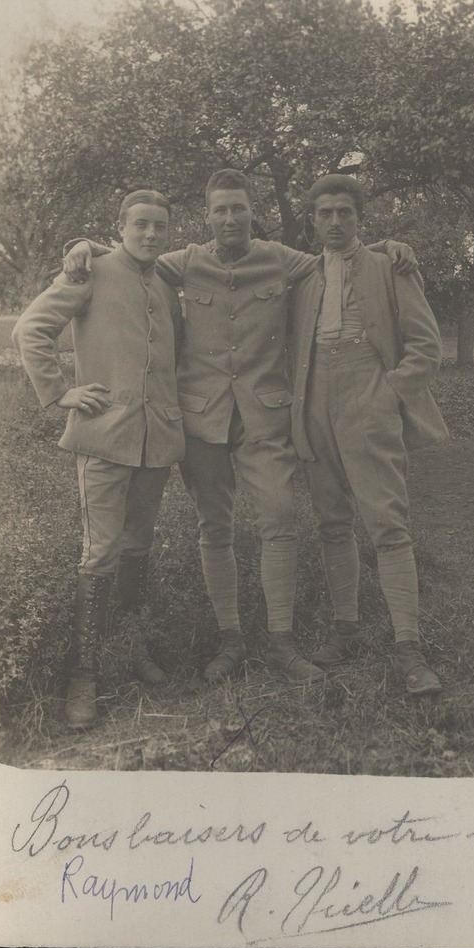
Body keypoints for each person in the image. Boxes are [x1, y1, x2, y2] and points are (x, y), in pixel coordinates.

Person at [63, 169, 416, 687]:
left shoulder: (280, 258)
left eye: (239, 209)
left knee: (279, 520)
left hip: (264, 420)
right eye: (221, 210)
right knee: (215, 527)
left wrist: (389, 243)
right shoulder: (183, 261)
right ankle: (230, 639)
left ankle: (281, 642)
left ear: (254, 213)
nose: (230, 218)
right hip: (202, 420)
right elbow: (132, 254)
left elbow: (339, 256)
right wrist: (85, 245)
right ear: (207, 217)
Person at [12, 190, 185, 728]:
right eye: (141, 225)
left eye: (160, 225)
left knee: (138, 547)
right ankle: (81, 677)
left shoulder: (164, 282)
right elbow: (30, 329)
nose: (151, 234)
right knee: (100, 552)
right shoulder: (92, 271)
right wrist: (59, 391)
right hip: (105, 440)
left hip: (156, 443)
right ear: (121, 227)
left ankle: (131, 649)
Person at [289, 174, 449, 694]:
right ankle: (346, 630)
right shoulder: (304, 276)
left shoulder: (389, 266)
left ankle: (409, 648)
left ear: (360, 218)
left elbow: (426, 346)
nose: (335, 222)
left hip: (369, 395)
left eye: (345, 213)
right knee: (332, 523)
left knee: (388, 525)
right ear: (312, 220)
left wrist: (388, 392)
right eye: (325, 214)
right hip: (314, 401)